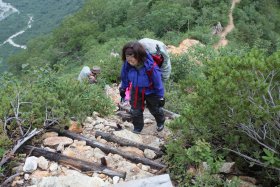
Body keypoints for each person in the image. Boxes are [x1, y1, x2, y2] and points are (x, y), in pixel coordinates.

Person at [119, 41, 165, 134]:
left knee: (154, 108)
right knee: (135, 109)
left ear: (139, 56)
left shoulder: (151, 66)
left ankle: (160, 121)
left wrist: (160, 96)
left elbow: (158, 82)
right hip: (136, 89)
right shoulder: (127, 65)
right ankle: (138, 127)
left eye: (132, 60)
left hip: (151, 90)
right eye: (128, 59)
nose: (130, 62)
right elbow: (124, 76)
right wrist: (123, 88)